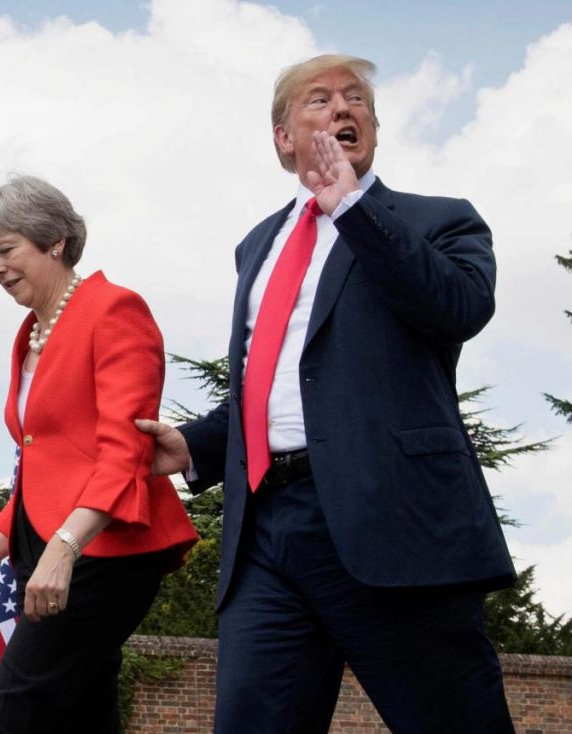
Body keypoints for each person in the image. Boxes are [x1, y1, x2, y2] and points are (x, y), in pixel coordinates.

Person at [136, 54, 516, 733]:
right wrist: (195, 445)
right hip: (267, 536)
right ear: (283, 138)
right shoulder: (259, 244)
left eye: (356, 99)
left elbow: (458, 308)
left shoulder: (440, 221)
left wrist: (356, 209)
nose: (343, 109)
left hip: (393, 524)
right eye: (319, 99)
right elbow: (280, 382)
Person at [0, 174, 198, 733]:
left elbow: (124, 451)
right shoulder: (30, 336)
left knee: (9, 716)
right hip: (47, 554)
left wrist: (65, 547)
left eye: (5, 249)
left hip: (106, 553)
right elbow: (38, 483)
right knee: (81, 720)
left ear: (55, 242)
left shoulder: (114, 310)